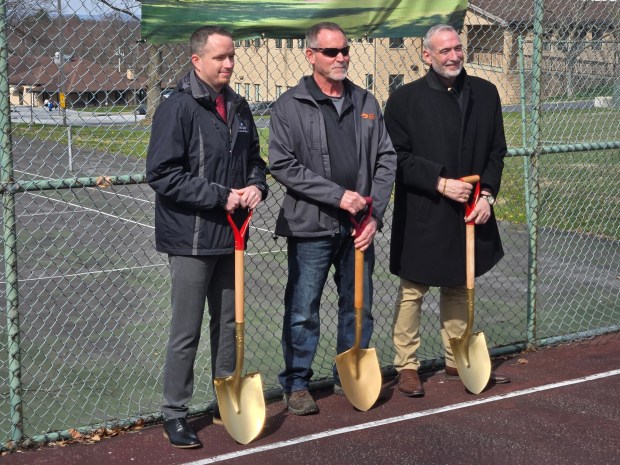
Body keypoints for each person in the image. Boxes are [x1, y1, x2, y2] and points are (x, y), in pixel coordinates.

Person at [146, 26, 267, 448]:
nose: (229, 64)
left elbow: (255, 160)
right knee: (187, 329)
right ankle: (175, 412)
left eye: (231, 56)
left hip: (232, 236)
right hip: (191, 239)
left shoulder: (239, 105)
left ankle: (225, 397)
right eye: (220, 58)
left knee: (230, 324)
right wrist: (221, 197)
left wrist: (257, 187)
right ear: (197, 60)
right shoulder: (177, 107)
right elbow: (161, 174)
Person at [268, 22, 396, 415]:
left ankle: (348, 374)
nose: (341, 57)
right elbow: (282, 164)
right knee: (303, 307)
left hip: (360, 227)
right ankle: (297, 383)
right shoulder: (289, 105)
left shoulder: (366, 101)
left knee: (358, 305)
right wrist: (339, 196)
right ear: (310, 56)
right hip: (311, 226)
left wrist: (373, 214)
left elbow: (386, 159)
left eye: (345, 50)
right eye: (331, 52)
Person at [384, 24, 510, 398]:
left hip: (471, 208)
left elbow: (496, 151)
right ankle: (407, 364)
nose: (454, 56)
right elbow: (396, 157)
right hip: (425, 208)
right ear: (427, 56)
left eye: (457, 48)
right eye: (444, 51)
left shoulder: (485, 94)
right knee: (414, 289)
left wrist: (486, 195)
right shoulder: (404, 100)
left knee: (459, 283)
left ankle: (457, 356)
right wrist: (439, 182)